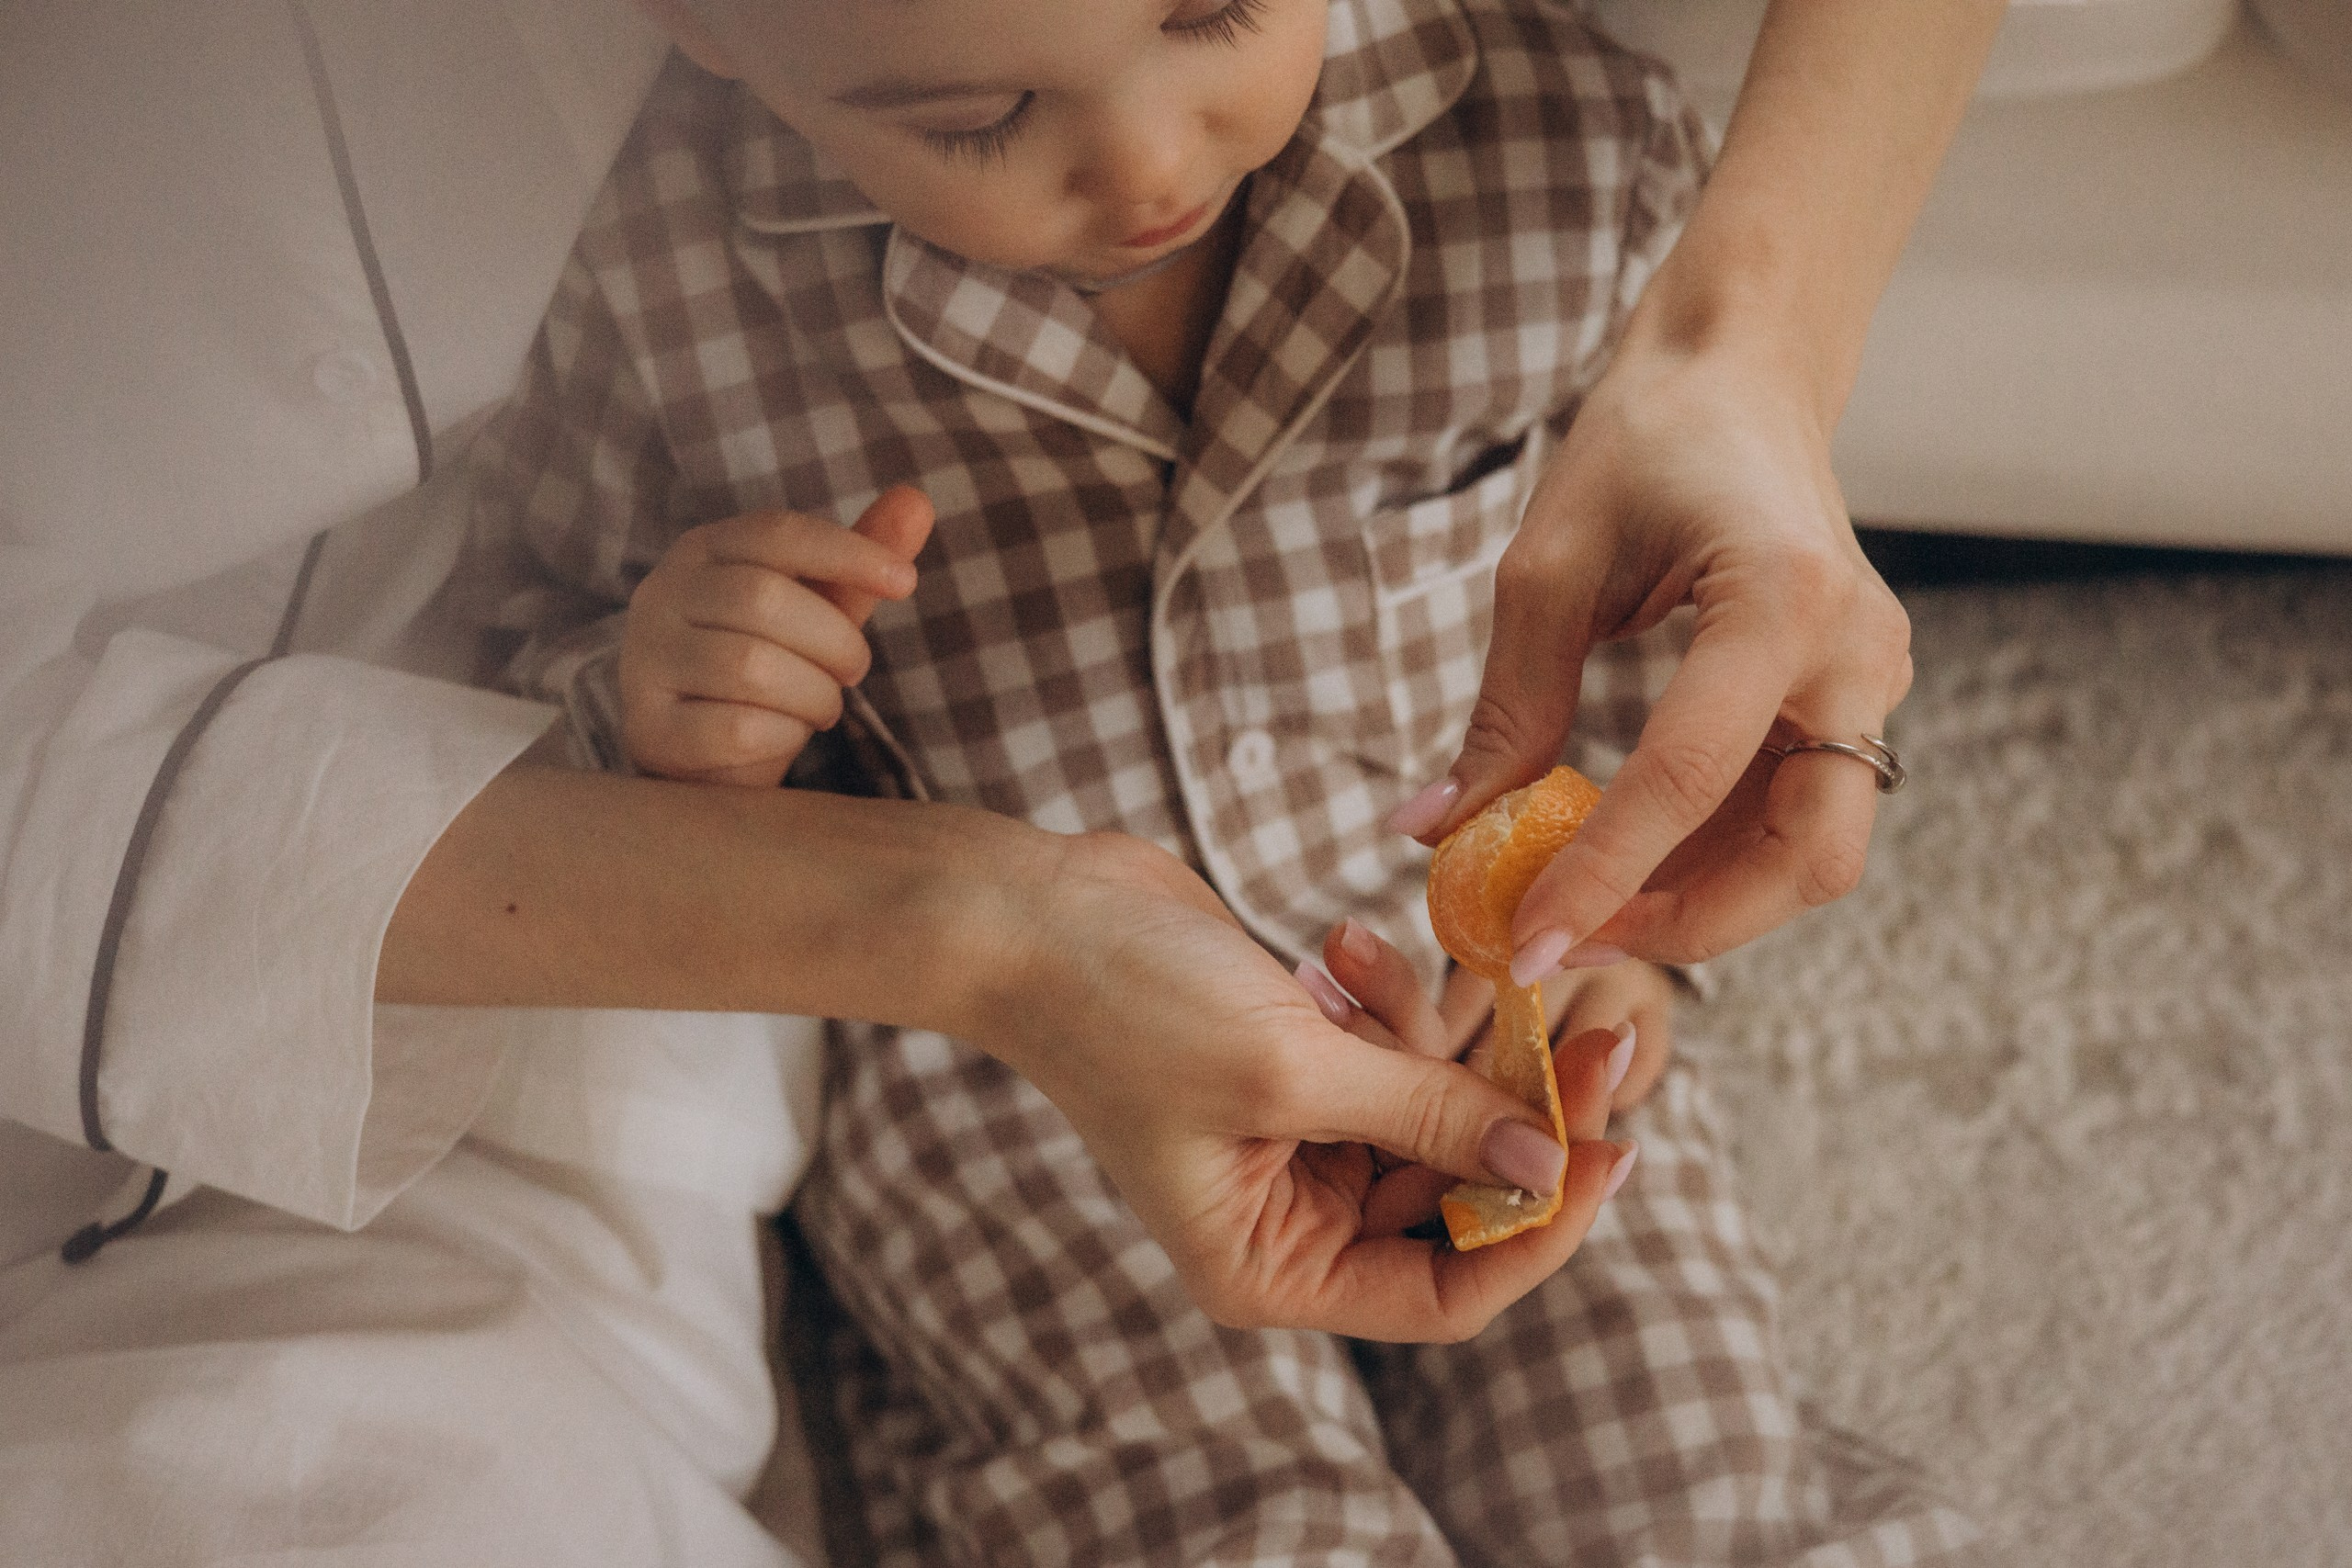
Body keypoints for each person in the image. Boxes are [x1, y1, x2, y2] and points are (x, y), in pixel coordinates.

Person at [0, 0, 2004, 1560]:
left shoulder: (1560, 143)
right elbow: (523, 646)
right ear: (703, 25)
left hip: (1498, 1004)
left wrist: (1641, 951)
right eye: (966, 118)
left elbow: (1663, 631)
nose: (1144, 160)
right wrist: (669, 688)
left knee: (1686, 1462)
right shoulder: (649, 283)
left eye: (1213, 12)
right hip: (995, 1092)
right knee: (1213, 1515)